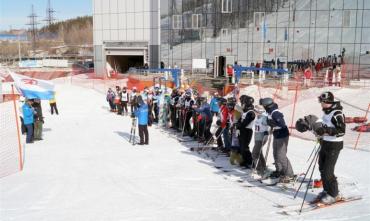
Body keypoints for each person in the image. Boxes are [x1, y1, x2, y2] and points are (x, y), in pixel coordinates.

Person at [315, 92, 346, 204]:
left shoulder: (337, 113)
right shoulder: (326, 113)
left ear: (328, 102)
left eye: (322, 102)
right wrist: (320, 132)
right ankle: (327, 190)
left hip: (334, 145)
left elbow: (342, 131)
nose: (321, 104)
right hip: (325, 143)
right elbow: (325, 127)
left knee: (328, 171)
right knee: (322, 168)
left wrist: (327, 130)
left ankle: (334, 194)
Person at [260, 97, 294, 182]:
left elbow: (282, 124)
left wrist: (272, 123)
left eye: (264, 105)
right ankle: (280, 170)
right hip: (277, 134)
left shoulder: (275, 113)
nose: (263, 107)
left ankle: (289, 174)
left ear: (267, 105)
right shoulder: (270, 112)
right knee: (275, 153)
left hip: (282, 135)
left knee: (281, 155)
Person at [237, 95, 255, 168]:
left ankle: (248, 160)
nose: (242, 104)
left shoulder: (251, 112)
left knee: (244, 146)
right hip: (242, 130)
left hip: (247, 130)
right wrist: (238, 124)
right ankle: (245, 160)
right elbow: (240, 119)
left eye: (243, 103)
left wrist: (239, 125)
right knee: (242, 146)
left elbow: (245, 123)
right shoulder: (245, 111)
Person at [251, 105, 270, 175]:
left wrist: (266, 132)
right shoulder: (258, 117)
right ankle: (263, 166)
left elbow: (269, 124)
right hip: (257, 137)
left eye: (255, 111)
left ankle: (258, 168)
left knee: (255, 153)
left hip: (262, 137)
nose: (254, 112)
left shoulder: (264, 117)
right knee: (259, 152)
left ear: (258, 111)